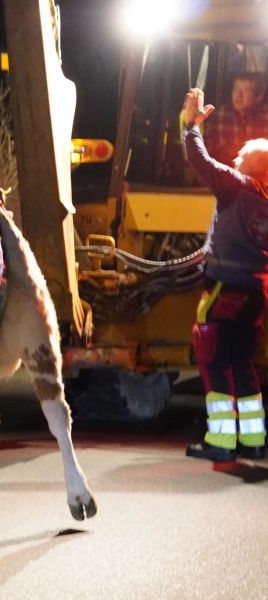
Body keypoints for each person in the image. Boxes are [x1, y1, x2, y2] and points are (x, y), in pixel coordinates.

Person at [182, 87, 268, 461]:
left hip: (225, 293)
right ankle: (253, 440)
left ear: (255, 167)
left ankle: (220, 442)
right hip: (254, 296)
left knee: (214, 358)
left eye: (242, 156)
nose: (235, 158)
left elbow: (199, 160)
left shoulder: (236, 187)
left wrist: (191, 126)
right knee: (242, 364)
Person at [203, 72, 268, 167]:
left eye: (246, 90)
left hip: (260, 177)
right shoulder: (221, 115)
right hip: (227, 175)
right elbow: (207, 150)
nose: (238, 95)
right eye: (236, 89)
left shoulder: (265, 116)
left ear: (257, 96)